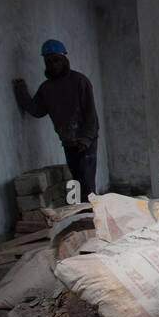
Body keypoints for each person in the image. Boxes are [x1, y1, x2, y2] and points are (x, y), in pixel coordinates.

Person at [12, 42, 99, 200]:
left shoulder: (80, 81)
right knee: (77, 181)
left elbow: (91, 115)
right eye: (49, 61)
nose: (53, 64)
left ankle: (93, 215)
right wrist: (21, 91)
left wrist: (85, 139)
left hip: (86, 142)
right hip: (68, 142)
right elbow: (37, 110)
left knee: (87, 183)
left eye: (56, 60)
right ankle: (81, 214)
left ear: (64, 59)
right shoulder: (47, 89)